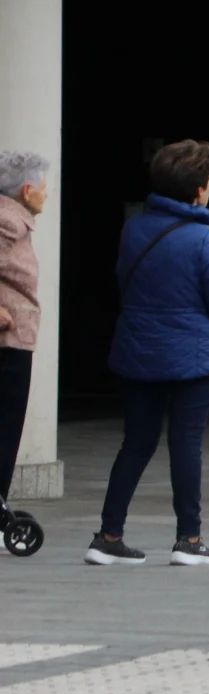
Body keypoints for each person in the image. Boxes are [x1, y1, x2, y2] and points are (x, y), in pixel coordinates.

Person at [87, 141, 209, 569]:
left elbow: (147, 276)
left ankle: (108, 537)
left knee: (136, 443)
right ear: (199, 189)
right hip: (193, 357)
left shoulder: (135, 229)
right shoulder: (202, 238)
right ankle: (189, 539)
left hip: (137, 350)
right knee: (185, 444)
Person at [0, 151, 47, 517]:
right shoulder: (8, 221)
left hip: (15, 336)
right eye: (44, 187)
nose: (47, 194)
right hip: (7, 339)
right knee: (5, 425)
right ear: (27, 189)